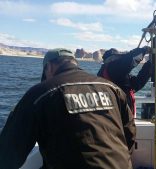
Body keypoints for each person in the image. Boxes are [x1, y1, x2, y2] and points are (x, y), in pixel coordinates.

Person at [0, 48, 136, 169]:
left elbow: (8, 153)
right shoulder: (112, 88)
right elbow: (130, 134)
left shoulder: (39, 94)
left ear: (49, 67)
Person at [97, 46, 153, 116]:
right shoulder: (112, 68)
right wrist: (143, 50)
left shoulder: (115, 73)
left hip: (121, 114)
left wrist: (149, 65)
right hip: (117, 114)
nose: (119, 59)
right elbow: (130, 60)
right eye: (117, 58)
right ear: (111, 59)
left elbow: (137, 84)